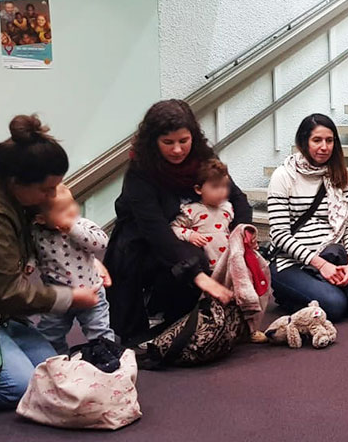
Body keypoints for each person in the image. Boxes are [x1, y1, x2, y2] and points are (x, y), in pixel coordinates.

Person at [0, 115, 100, 408]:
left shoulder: (4, 187)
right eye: (46, 190)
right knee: (21, 387)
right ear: (16, 182)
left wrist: (90, 260)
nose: (52, 197)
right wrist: (69, 297)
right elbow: (7, 292)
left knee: (50, 369)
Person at [105, 100, 248, 341]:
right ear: (154, 142)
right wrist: (198, 274)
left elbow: (237, 197)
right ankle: (159, 316)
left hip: (189, 235)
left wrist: (243, 233)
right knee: (194, 259)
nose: (178, 150)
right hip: (141, 244)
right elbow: (156, 231)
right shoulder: (141, 170)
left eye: (184, 141)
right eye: (168, 142)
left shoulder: (203, 158)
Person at [267, 113, 348, 322]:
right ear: (303, 142)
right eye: (317, 140)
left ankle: (317, 289)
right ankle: (287, 293)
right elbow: (279, 235)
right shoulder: (284, 176)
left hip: (332, 254)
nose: (324, 147)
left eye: (329, 140)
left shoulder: (339, 175)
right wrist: (320, 265)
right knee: (334, 306)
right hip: (292, 261)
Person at [31, 183, 114, 354]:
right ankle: (60, 364)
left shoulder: (81, 225)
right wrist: (29, 264)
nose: (72, 210)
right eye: (62, 210)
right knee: (50, 336)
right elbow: (31, 252)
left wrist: (74, 230)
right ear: (41, 219)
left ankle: (108, 362)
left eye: (72, 203)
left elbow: (101, 243)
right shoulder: (36, 234)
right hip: (58, 297)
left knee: (99, 332)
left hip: (91, 292)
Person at [170, 159, 234, 269]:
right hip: (205, 267)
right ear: (199, 189)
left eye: (224, 186)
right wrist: (189, 235)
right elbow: (174, 228)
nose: (221, 191)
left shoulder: (228, 208)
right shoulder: (192, 210)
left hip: (229, 264)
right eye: (215, 186)